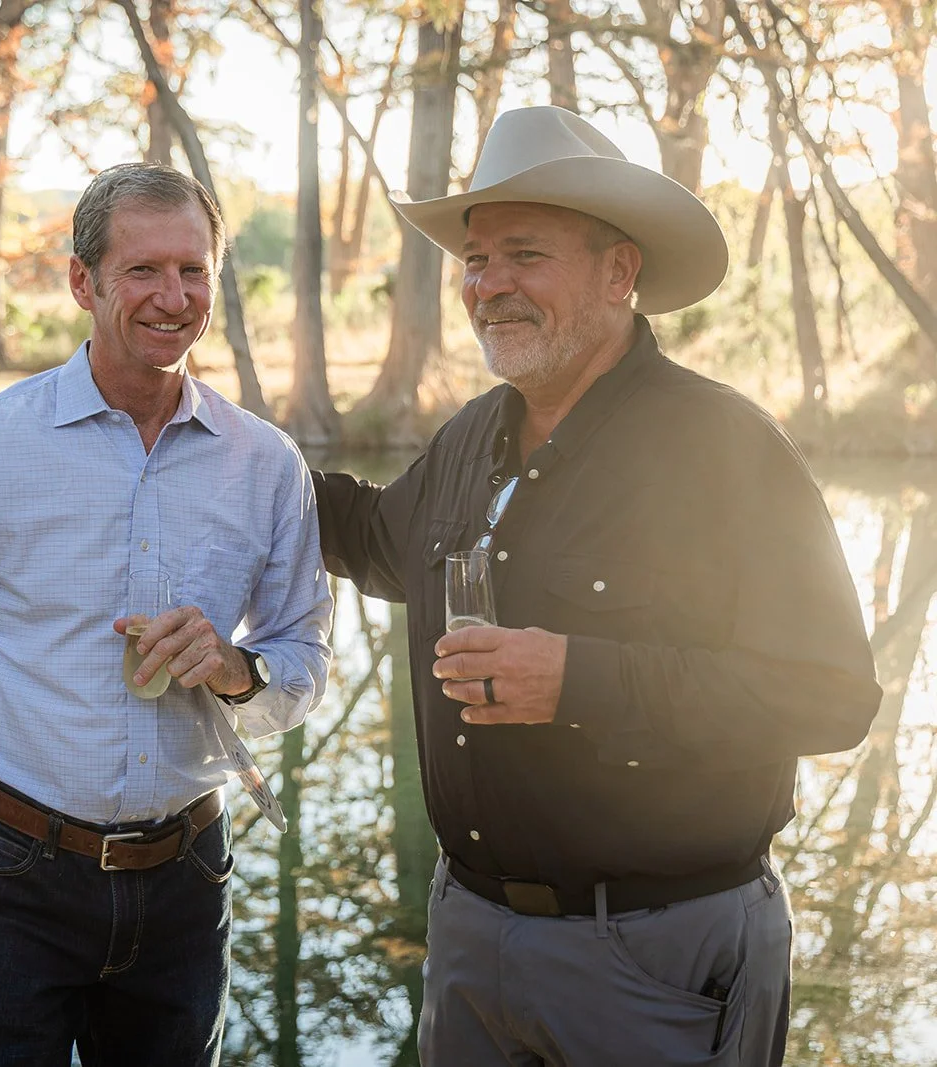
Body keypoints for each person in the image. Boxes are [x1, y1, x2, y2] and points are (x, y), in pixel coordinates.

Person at [314, 106, 881, 1066]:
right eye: (476, 260)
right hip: (467, 939)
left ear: (620, 272)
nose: (489, 285)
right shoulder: (469, 437)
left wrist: (579, 679)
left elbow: (829, 694)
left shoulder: (724, 447)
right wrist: (211, 439)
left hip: (657, 953)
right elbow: (373, 538)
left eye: (524, 255)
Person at [0, 162, 333, 1066]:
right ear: (84, 281)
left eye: (193, 270)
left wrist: (236, 671)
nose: (172, 296)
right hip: (10, 873)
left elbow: (303, 659)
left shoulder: (267, 465)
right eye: (142, 270)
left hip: (189, 877)